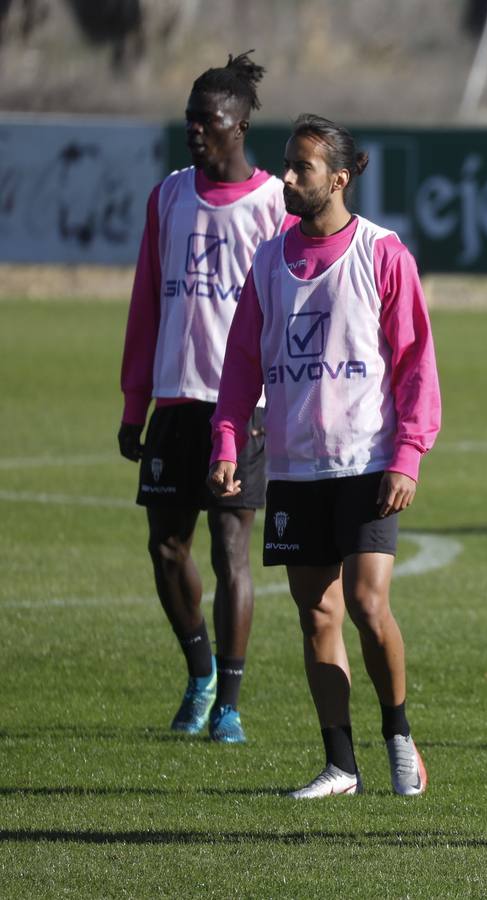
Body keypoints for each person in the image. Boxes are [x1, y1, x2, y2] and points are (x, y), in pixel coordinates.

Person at [207, 114, 441, 799]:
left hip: (368, 461)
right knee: (317, 616)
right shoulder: (267, 261)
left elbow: (416, 365)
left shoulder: (382, 252)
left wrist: (408, 456)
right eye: (286, 165)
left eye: (300, 168)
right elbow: (241, 364)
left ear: (337, 179)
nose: (285, 177)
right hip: (296, 467)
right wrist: (226, 441)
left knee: (369, 605)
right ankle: (340, 764)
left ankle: (399, 739)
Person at [118, 50, 295, 744]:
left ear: (240, 124)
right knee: (166, 548)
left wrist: (277, 407)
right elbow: (143, 308)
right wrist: (137, 403)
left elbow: (286, 311)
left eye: (209, 120)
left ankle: (229, 701)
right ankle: (198, 670)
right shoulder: (167, 196)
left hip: (243, 409)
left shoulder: (273, 206)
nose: (196, 130)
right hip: (173, 401)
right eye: (190, 119)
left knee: (231, 549)